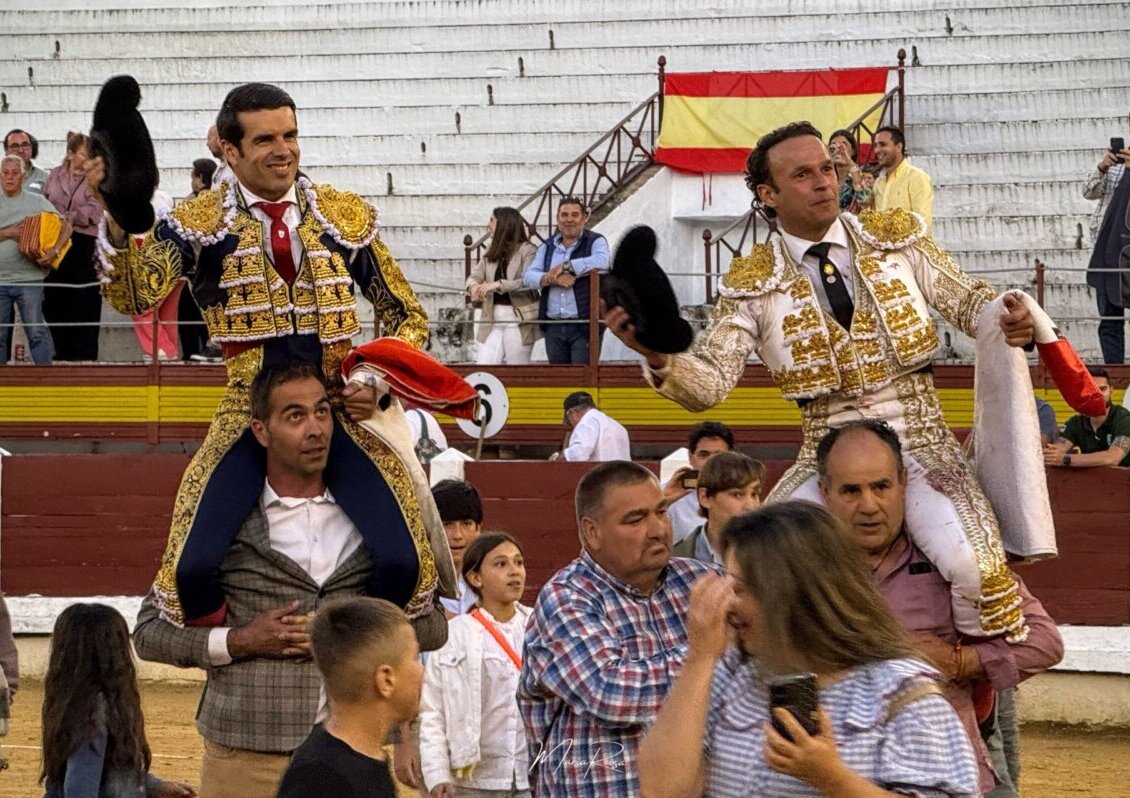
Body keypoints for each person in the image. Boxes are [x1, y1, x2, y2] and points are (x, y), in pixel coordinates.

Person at [606, 120, 1040, 642]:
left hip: (920, 442)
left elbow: (967, 301)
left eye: (828, 169)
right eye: (804, 174)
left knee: (979, 573)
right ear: (769, 194)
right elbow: (711, 384)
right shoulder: (752, 282)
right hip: (824, 452)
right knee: (755, 576)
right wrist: (657, 355)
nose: (824, 182)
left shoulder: (895, 236)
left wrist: (1009, 314)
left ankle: (973, 695)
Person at [88, 82, 450, 633]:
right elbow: (136, 293)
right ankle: (245, 656)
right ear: (230, 152)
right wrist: (119, 216)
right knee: (191, 570)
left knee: (405, 564)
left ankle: (350, 646)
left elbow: (406, 314)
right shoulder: (199, 223)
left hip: (339, 407)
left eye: (290, 135)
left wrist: (374, 380)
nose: (284, 150)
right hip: (249, 412)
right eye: (265, 140)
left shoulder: (340, 215)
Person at [133, 362, 451, 798]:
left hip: (353, 756)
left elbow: (434, 625)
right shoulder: (223, 521)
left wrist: (342, 635)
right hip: (246, 756)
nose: (316, 429)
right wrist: (241, 640)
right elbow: (149, 633)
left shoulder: (377, 521)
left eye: (322, 412)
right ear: (261, 431)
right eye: (295, 416)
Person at [639, 501, 979, 798]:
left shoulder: (899, 693)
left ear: (796, 596)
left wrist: (832, 778)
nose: (728, 604)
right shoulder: (734, 674)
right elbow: (661, 790)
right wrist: (700, 659)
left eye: (741, 589)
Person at [816, 419, 1064, 796]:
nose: (869, 506)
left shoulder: (953, 562)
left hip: (954, 771)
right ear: (824, 493)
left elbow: (1045, 641)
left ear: (902, 482)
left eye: (881, 486)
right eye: (851, 491)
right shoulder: (806, 574)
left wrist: (957, 661)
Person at [518, 461, 717, 797]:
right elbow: (608, 691)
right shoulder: (567, 597)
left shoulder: (700, 582)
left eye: (661, 512)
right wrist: (704, 655)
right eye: (636, 519)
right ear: (592, 532)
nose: (658, 529)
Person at [40, 603, 196, 798]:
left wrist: (153, 786)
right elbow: (80, 787)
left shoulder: (76, 701)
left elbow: (109, 773)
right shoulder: (93, 711)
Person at [420, 533, 532, 798]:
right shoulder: (453, 634)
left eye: (519, 562)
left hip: (531, 774)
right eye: (501, 564)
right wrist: (437, 775)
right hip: (473, 780)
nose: (514, 572)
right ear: (475, 578)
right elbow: (432, 711)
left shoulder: (539, 626)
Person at [276, 597, 423, 798]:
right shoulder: (319, 780)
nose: (422, 670)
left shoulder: (367, 760)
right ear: (386, 681)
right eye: (414, 658)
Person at [521, 197, 609, 364]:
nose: (569, 219)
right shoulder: (547, 246)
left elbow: (602, 261)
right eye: (564, 215)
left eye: (575, 215)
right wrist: (553, 278)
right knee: (558, 380)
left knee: (583, 379)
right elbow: (528, 277)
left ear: (584, 218)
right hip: (553, 326)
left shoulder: (596, 241)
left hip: (585, 325)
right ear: (557, 218)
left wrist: (566, 266)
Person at [0, 153, 70, 365]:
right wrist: (8, 233)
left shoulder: (37, 201)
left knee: (36, 332)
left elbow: (66, 226)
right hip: (0, 280)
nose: (10, 177)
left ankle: (46, 380)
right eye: (5, 173)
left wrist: (55, 250)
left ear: (22, 177)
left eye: (14, 173)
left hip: (29, 278)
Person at [43, 131, 104, 361]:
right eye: (83, 153)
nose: (87, 157)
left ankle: (85, 355)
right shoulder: (54, 175)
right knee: (55, 298)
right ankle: (62, 351)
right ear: (70, 154)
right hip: (54, 240)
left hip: (82, 242)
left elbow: (95, 210)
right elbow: (44, 202)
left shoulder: (95, 178)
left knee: (84, 298)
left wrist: (70, 216)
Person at [1083, 113, 1130, 364]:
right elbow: (1088, 191)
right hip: (1109, 252)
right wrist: (1102, 167)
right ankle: (1115, 374)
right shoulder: (1116, 165)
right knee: (1110, 319)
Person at [468, 207, 540, 364]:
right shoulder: (491, 249)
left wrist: (498, 285)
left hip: (518, 318)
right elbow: (474, 277)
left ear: (504, 224)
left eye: (492, 220)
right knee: (485, 366)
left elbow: (527, 281)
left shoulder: (528, 250)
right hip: (491, 317)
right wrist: (473, 287)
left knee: (517, 368)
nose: (488, 225)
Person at [672, 451, 763, 566]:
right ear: (704, 497)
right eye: (737, 495)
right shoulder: (674, 560)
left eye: (754, 494)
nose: (750, 506)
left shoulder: (775, 555)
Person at [1043, 366, 1130, 468]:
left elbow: (1113, 458)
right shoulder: (1077, 422)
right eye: (1092, 390)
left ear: (1111, 390)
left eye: (1103, 389)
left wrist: (1066, 459)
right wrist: (1051, 453)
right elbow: (1057, 450)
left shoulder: (1123, 419)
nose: (1098, 395)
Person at [663, 421, 734, 543]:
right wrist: (665, 501)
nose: (711, 462)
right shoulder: (668, 495)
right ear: (691, 458)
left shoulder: (743, 495)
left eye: (719, 456)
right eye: (704, 455)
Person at [430, 479, 485, 616]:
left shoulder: (491, 580)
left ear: (478, 528)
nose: (457, 535)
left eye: (466, 524)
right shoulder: (419, 582)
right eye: (447, 524)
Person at [871, 125, 935, 231]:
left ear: (899, 147)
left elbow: (923, 223)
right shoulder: (878, 182)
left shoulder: (916, 177)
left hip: (909, 246)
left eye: (882, 145)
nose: (877, 150)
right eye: (876, 146)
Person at [553, 390, 630, 462]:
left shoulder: (587, 422)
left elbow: (578, 455)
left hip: (602, 475)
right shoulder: (617, 425)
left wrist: (559, 458)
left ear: (572, 413)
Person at [4, 129, 48, 193]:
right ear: (6, 150)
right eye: (15, 146)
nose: (21, 150)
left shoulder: (44, 177)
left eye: (25, 145)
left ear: (31, 148)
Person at [829, 128, 863, 212]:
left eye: (844, 144)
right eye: (834, 145)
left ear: (853, 151)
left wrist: (848, 159)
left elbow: (863, 199)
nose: (839, 149)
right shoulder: (827, 178)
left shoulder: (861, 177)